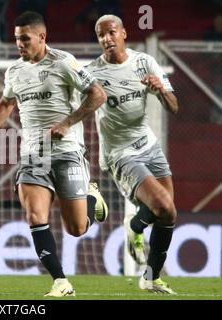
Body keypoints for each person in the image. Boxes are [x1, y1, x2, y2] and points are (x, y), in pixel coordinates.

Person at [0, 11, 108, 297]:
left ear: (42, 36)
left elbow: (97, 94)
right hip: (32, 155)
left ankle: (91, 196)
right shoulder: (15, 71)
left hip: (68, 151)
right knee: (35, 216)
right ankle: (60, 281)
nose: (19, 44)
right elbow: (6, 103)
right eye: (16, 39)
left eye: (25, 38)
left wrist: (67, 123)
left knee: (77, 228)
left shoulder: (63, 62)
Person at [86, 15, 179, 294]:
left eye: (111, 32)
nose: (106, 39)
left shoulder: (144, 63)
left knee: (168, 215)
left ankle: (150, 275)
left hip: (149, 145)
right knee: (164, 206)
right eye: (101, 35)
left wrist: (160, 90)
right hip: (121, 153)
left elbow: (173, 107)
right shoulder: (93, 73)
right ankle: (135, 225)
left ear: (124, 33)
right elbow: (80, 110)